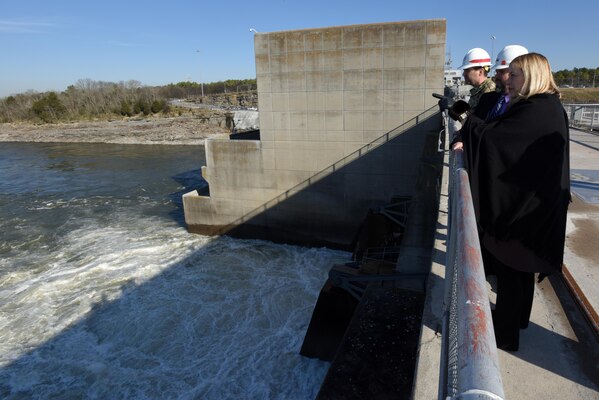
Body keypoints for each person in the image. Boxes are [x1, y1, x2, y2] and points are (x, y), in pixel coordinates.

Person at [449, 53, 570, 351]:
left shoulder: (536, 110)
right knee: (520, 272)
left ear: (530, 77)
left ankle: (505, 336)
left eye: (514, 75)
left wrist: (466, 123)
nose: (507, 81)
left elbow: (497, 141)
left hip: (525, 212)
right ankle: (517, 322)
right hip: (533, 206)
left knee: (512, 270)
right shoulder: (545, 106)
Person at [474, 45, 529, 121]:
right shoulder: (486, 99)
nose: (496, 77)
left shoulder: (528, 107)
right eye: (496, 72)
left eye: (502, 72)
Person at [458, 48, 496, 112]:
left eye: (467, 70)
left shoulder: (489, 91)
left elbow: (481, 120)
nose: (463, 74)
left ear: (480, 72)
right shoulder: (478, 90)